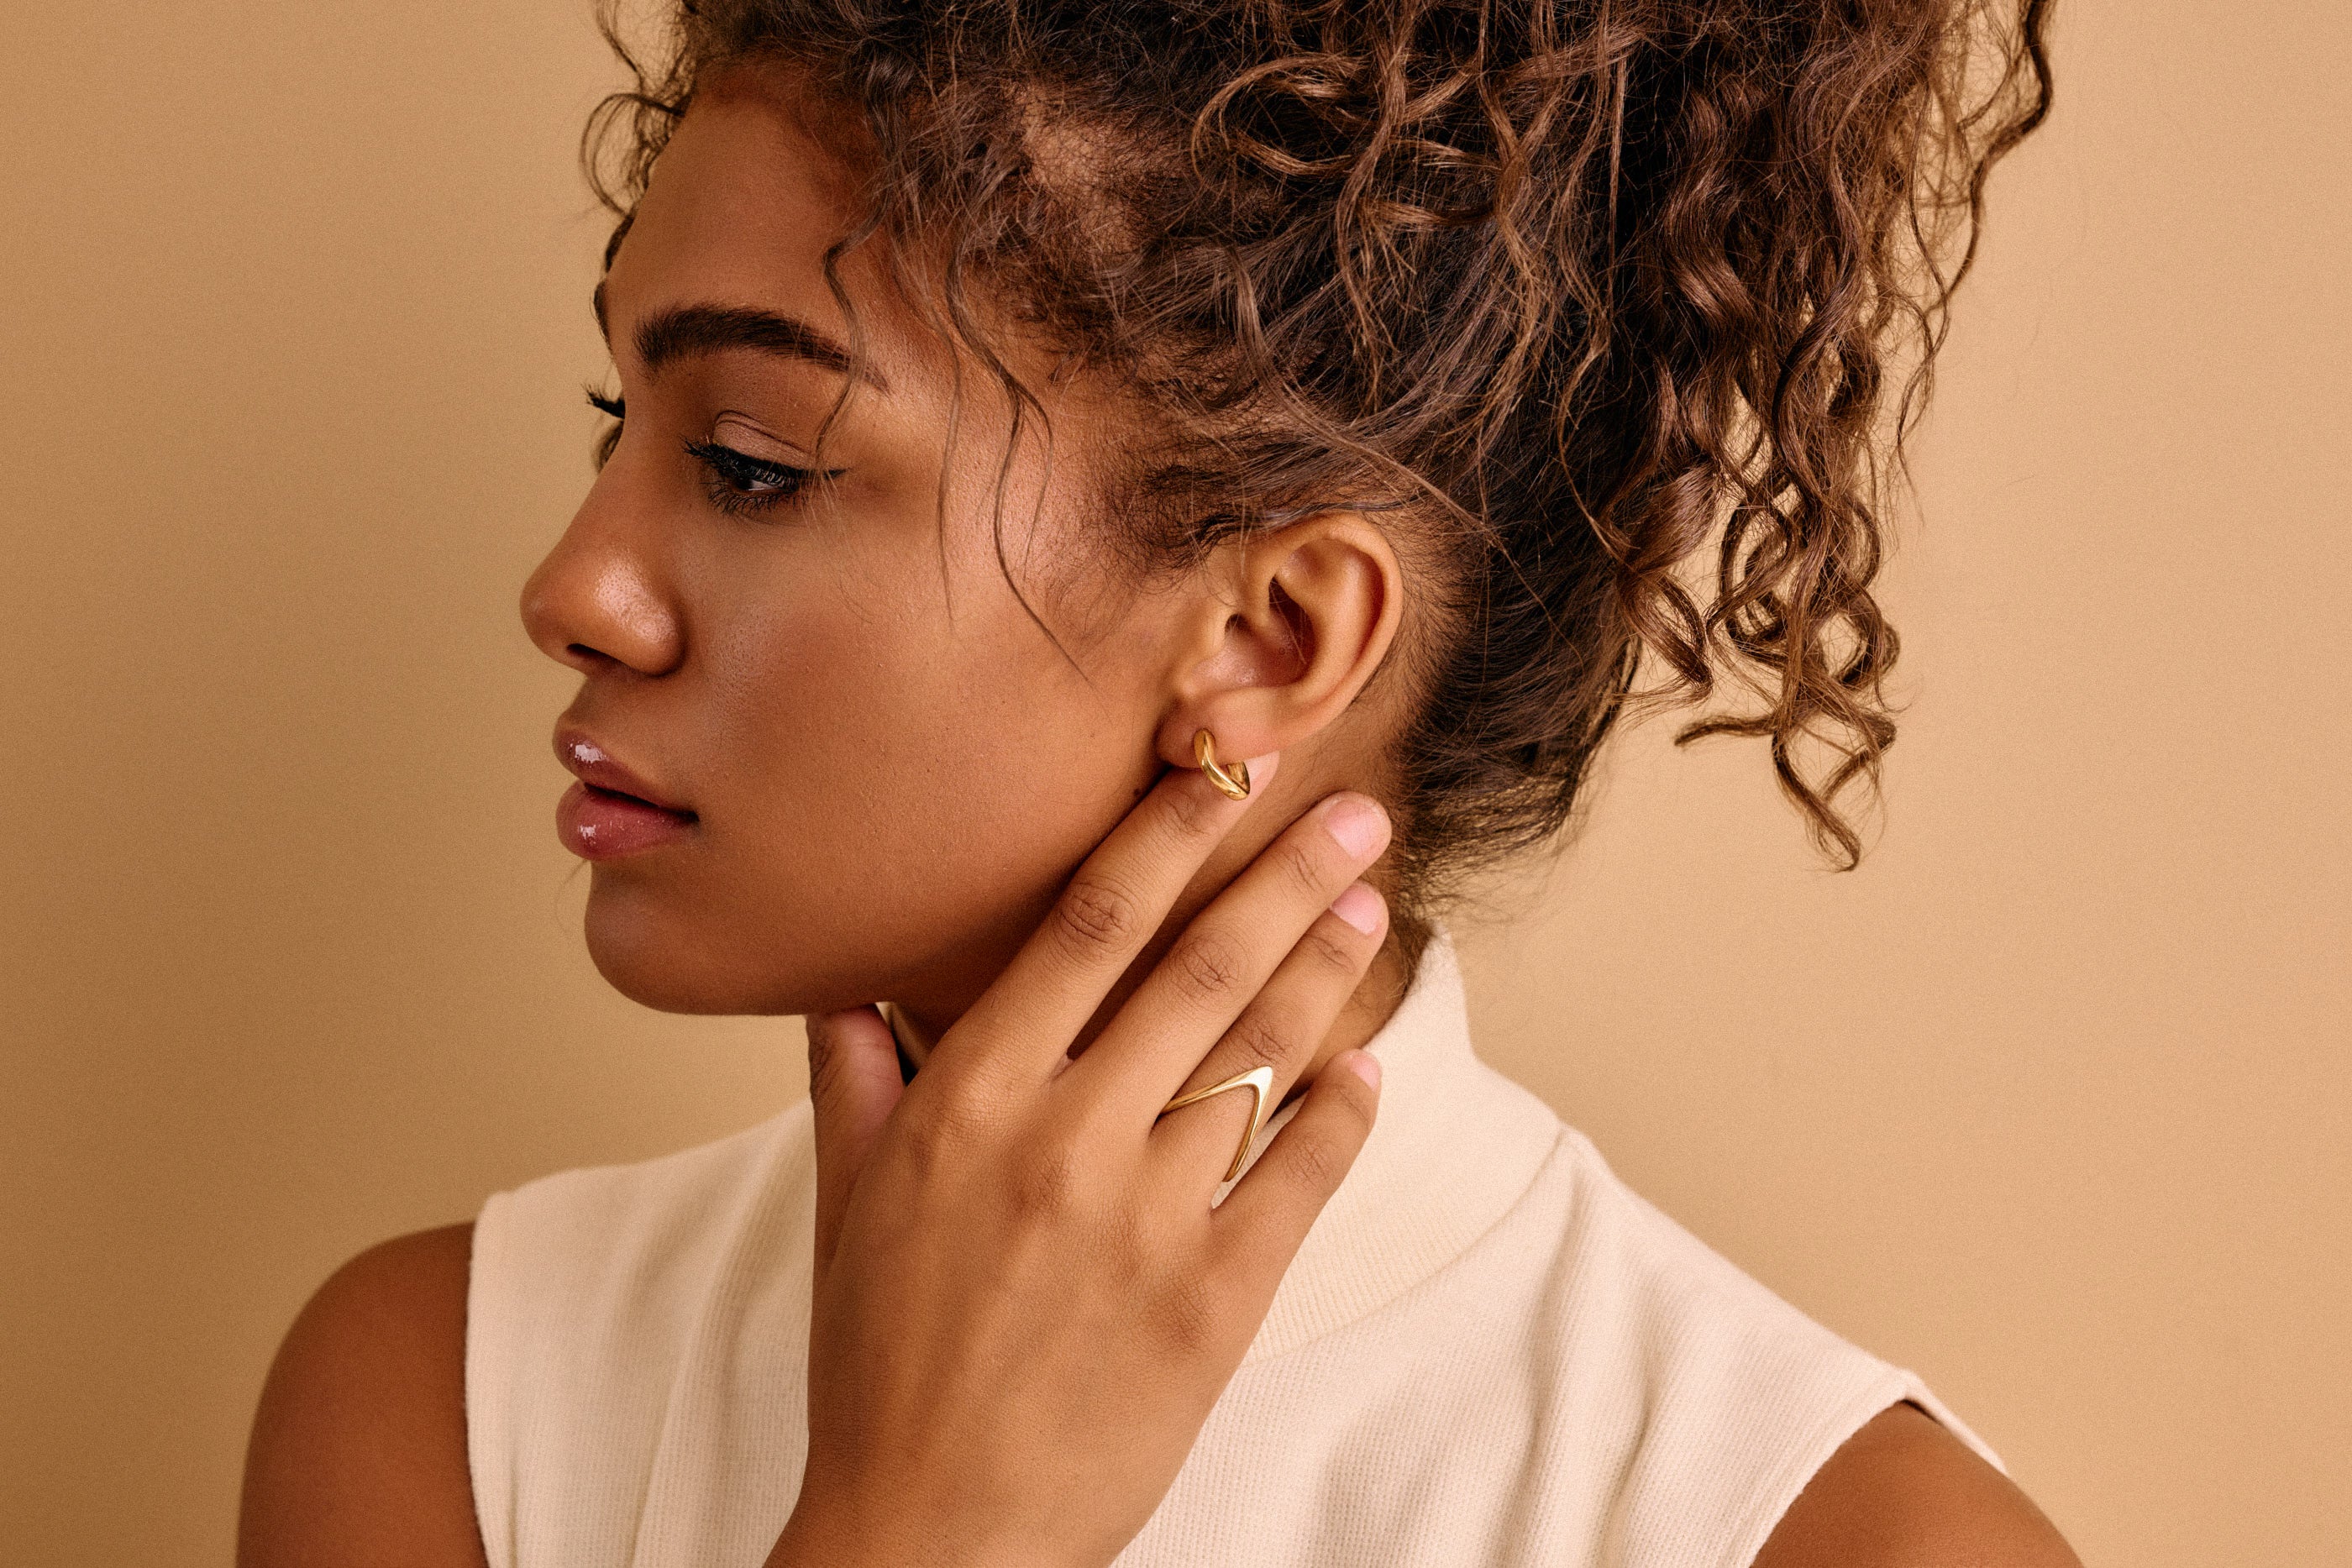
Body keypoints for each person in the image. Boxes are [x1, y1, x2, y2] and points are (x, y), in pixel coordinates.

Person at [238, 1, 2079, 1563]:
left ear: (1275, 638)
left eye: (752, 463)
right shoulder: (452, 1400)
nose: (572, 589)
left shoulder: (1825, 1532)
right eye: (613, 424)